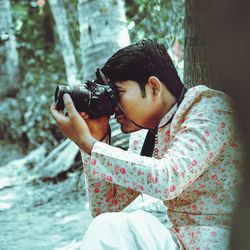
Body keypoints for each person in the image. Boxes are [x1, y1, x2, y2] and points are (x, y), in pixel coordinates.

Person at [50, 40, 243, 249]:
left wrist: (90, 145)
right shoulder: (146, 136)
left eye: (119, 93)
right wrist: (97, 140)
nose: (114, 106)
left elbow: (167, 179)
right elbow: (105, 208)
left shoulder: (211, 110)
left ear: (153, 87)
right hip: (181, 241)